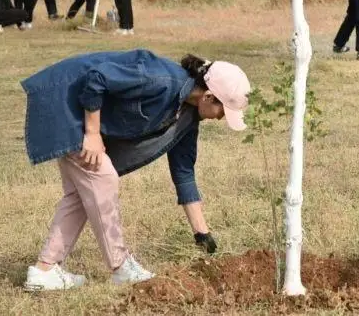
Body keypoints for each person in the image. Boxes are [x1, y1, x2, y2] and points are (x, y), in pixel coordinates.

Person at [21, 49, 252, 291]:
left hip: (77, 112)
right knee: (103, 177)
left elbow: (183, 171)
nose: (220, 119)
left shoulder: (186, 116)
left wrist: (201, 233)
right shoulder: (159, 79)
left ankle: (44, 270)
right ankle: (121, 267)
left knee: (81, 193)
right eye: (223, 112)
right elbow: (96, 78)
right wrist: (92, 133)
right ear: (208, 97)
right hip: (66, 104)